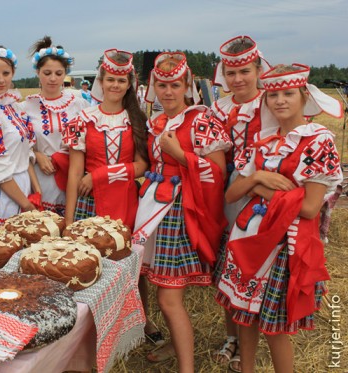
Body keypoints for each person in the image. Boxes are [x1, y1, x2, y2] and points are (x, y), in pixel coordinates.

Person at [215, 64, 342, 373]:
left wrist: (260, 189)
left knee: (275, 329)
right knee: (244, 316)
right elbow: (231, 195)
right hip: (247, 240)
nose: (280, 101)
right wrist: (258, 177)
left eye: (288, 94)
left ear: (303, 96)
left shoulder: (318, 142)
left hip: (284, 245)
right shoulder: (261, 141)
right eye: (273, 95)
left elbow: (310, 208)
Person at [132, 52, 231, 371]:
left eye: (175, 84)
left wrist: (181, 155)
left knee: (168, 298)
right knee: (166, 291)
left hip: (181, 213)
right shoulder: (157, 121)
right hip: (155, 211)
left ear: (187, 85)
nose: (168, 92)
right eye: (162, 85)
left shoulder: (201, 121)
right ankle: (176, 344)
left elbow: (217, 174)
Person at [210, 35, 271, 372]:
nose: (238, 79)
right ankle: (230, 335)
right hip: (227, 194)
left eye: (245, 71)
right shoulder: (218, 108)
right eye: (231, 73)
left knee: (252, 268)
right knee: (227, 264)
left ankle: (249, 341)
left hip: (261, 195)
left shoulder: (272, 102)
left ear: (258, 69)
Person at [64, 48, 148, 229]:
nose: (115, 85)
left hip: (125, 201)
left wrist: (99, 175)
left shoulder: (137, 120)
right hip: (90, 201)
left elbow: (141, 166)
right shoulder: (82, 119)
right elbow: (75, 172)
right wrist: (69, 221)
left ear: (128, 85)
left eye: (121, 80)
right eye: (110, 79)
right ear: (101, 82)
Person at [22, 36, 89, 216]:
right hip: (41, 179)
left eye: (59, 74)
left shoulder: (79, 103)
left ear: (65, 73)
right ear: (37, 72)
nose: (53, 79)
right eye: (47, 73)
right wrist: (36, 154)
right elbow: (19, 147)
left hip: (73, 177)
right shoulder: (25, 108)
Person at [0, 44, 40, 227]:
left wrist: (37, 190)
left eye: (6, 73)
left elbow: (26, 153)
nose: (1, 80)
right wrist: (26, 204)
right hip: (4, 192)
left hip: (23, 186)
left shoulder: (15, 108)